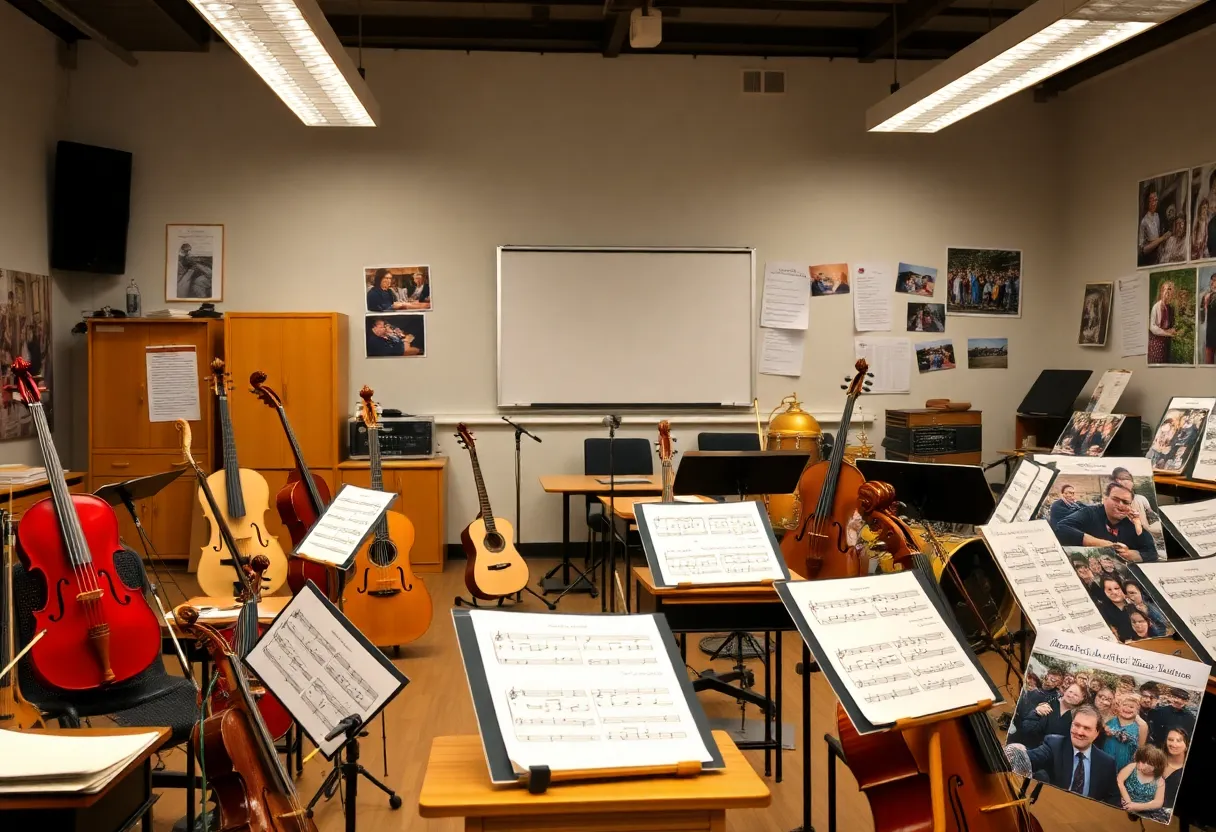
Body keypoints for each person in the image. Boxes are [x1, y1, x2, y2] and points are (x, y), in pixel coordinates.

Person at [1021, 705, 1121, 806]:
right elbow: (1027, 760)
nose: (1079, 732)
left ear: (1096, 733)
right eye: (1076, 725)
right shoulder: (1054, 745)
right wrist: (1016, 752)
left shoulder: (1107, 763)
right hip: (1051, 810)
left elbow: (1114, 799)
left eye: (1086, 728)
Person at [1054, 481, 1158, 562]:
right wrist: (1107, 546)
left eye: (1126, 502)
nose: (1121, 504)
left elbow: (1151, 552)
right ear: (1105, 499)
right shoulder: (1089, 513)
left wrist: (1128, 554)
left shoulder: (1131, 523)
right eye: (1115, 499)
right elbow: (1062, 528)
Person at [1117, 745, 1167, 819]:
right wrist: (1128, 801)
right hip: (1123, 806)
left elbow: (1158, 802)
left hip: (1144, 814)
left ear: (1155, 765)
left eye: (1144, 763)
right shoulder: (1132, 767)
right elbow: (1119, 780)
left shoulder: (1160, 781)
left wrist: (1137, 807)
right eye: (1139, 761)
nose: (1139, 766)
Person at [1103, 692, 1148, 771]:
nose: (1127, 708)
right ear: (1119, 707)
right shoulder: (1110, 720)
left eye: (1131, 707)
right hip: (1105, 760)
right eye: (1124, 705)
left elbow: (1140, 749)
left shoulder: (1139, 726)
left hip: (1124, 765)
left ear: (1137, 710)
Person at [1098, 576, 1138, 642]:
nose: (1114, 592)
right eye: (1109, 590)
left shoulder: (1135, 605)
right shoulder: (1101, 609)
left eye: (1117, 588)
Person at [1148, 281, 1178, 364]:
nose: (1168, 293)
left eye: (1170, 290)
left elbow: (1172, 325)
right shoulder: (1156, 307)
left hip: (1166, 344)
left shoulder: (1170, 308)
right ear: (1161, 292)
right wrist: (1167, 333)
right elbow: (1152, 327)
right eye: (1166, 290)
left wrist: (1173, 330)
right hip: (1156, 344)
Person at [1139, 189, 1169, 265]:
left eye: (1155, 200)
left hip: (1159, 254)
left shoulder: (1157, 216)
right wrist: (1162, 238)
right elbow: (1143, 250)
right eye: (1151, 201)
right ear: (1147, 202)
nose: (1153, 203)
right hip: (1149, 258)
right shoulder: (1144, 221)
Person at [1162, 727, 1189, 808]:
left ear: (1187, 745)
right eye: (1170, 739)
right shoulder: (1156, 761)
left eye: (1179, 740)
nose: (1173, 744)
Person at [1202, 272, 1216, 365]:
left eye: (1215, 281)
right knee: (1208, 363)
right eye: (1212, 281)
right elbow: (1202, 318)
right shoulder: (1207, 296)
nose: (1213, 283)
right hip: (1210, 336)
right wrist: (1205, 305)